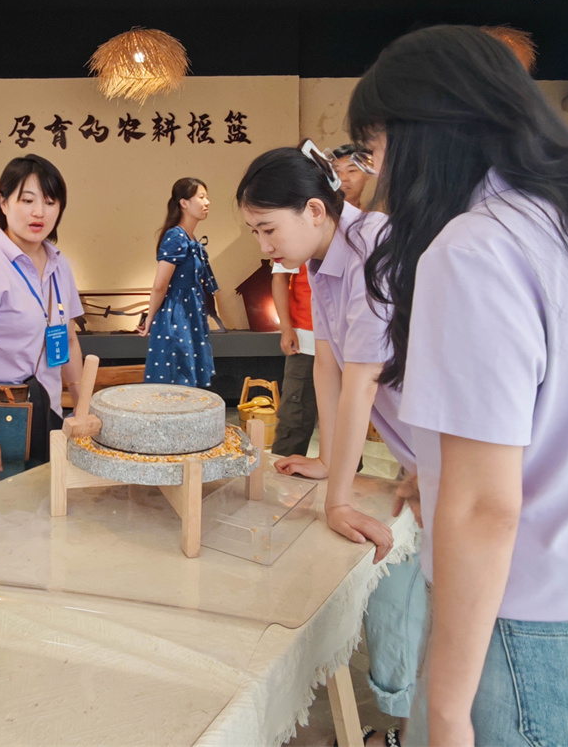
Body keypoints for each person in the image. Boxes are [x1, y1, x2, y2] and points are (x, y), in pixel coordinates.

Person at [349, 25, 568, 747]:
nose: (377, 175)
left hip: (534, 645)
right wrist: (431, 472)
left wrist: (446, 710)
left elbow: (484, 507)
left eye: (376, 149)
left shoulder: (475, 249)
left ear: (425, 136)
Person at [237, 143, 429, 747]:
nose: (263, 245)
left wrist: (338, 500)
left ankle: (420, 727)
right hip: (421, 452)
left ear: (315, 210)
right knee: (403, 582)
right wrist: (325, 462)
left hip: (457, 447)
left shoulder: (374, 249)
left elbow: (363, 380)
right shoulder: (320, 260)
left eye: (268, 229)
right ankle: (405, 724)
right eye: (255, 231)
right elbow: (329, 363)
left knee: (444, 597)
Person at [0, 156, 86, 488]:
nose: (39, 212)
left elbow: (68, 340)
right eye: (27, 200)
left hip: (48, 417)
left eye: (50, 202)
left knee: (48, 512)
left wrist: (83, 409)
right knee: (4, 517)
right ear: (3, 202)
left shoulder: (59, 264)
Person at [137, 178, 220, 387]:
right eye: (201, 197)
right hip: (177, 315)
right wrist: (150, 317)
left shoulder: (190, 238)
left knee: (188, 375)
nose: (207, 202)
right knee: (177, 374)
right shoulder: (175, 236)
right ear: (184, 203)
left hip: (190, 312)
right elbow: (160, 285)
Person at [269, 260, 317, 457]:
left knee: (346, 416)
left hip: (347, 341)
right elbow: (280, 276)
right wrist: (286, 328)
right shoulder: (296, 242)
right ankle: (282, 471)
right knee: (294, 415)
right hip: (305, 339)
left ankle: (349, 474)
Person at [330, 143, 373, 209]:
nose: (343, 178)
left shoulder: (375, 215)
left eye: (351, 171)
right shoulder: (319, 213)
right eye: (336, 171)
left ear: (367, 174)